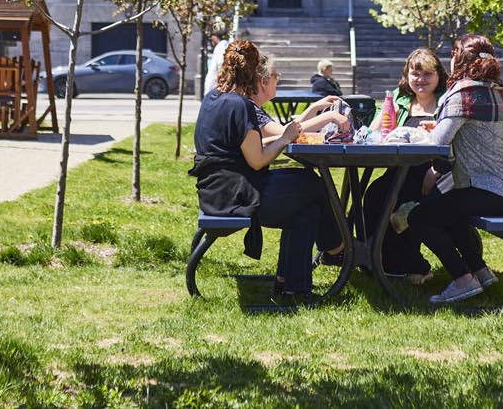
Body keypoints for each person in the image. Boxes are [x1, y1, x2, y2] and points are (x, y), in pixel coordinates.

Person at [190, 39, 345, 303]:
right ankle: (338, 248)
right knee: (313, 184)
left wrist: (284, 135)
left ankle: (292, 286)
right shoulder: (239, 106)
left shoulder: (214, 98)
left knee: (307, 209)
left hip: (217, 189)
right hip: (236, 196)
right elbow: (258, 161)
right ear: (252, 74)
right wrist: (285, 138)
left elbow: (245, 147)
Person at [402, 33, 503, 305]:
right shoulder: (496, 90)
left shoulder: (463, 91)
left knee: (420, 217)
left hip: (487, 190)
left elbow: (437, 143)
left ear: (458, 59)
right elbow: (472, 133)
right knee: (449, 212)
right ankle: (480, 272)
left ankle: (462, 278)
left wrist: (407, 135)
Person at [362, 47, 446, 283]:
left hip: (432, 174)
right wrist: (388, 108)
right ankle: (374, 259)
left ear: (439, 75)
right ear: (406, 76)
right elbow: (374, 132)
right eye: (415, 74)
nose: (421, 80)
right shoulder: (401, 101)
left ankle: (413, 266)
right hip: (398, 170)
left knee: (394, 203)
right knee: (373, 196)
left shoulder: (445, 102)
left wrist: (436, 171)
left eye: (427, 74)